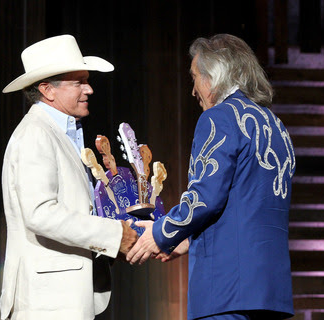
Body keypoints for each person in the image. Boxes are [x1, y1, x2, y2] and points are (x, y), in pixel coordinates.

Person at [127, 34, 296, 320]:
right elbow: (247, 208)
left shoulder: (219, 118)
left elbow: (205, 199)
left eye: (194, 77)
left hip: (226, 291)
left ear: (213, 76)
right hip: (270, 292)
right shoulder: (275, 125)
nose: (193, 90)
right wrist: (187, 240)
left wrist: (160, 234)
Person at [0, 34, 138, 320]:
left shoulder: (60, 132)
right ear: (48, 90)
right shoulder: (35, 135)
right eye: (78, 82)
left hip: (63, 298)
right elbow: (40, 213)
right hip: (47, 302)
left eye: (87, 80)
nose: (89, 89)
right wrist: (113, 235)